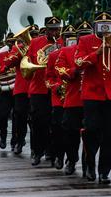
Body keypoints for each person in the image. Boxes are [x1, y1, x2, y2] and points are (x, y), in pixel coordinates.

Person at [75, 12, 111, 184]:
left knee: (109, 135)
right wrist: (96, 53)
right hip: (92, 93)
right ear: (95, 26)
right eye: (101, 25)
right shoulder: (85, 41)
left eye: (108, 26)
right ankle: (89, 165)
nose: (105, 30)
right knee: (91, 130)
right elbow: (78, 63)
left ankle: (104, 171)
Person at [54, 20, 91, 176]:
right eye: (81, 35)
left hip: (91, 99)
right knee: (70, 132)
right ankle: (71, 159)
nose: (84, 38)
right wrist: (73, 71)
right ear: (77, 37)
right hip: (73, 98)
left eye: (87, 35)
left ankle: (88, 165)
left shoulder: (97, 51)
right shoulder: (67, 51)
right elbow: (59, 69)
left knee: (91, 134)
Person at [24, 16, 62, 166]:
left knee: (55, 123)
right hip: (39, 88)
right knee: (38, 122)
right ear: (46, 29)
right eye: (52, 29)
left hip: (56, 88)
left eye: (57, 29)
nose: (54, 32)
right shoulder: (35, 43)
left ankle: (52, 152)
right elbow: (27, 63)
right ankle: (36, 152)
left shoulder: (62, 42)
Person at [44, 24, 69, 169]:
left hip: (74, 97)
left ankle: (70, 158)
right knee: (58, 129)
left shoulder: (77, 53)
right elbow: (48, 78)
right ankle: (58, 156)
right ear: (62, 38)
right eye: (66, 37)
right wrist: (56, 87)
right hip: (59, 98)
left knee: (71, 130)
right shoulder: (53, 55)